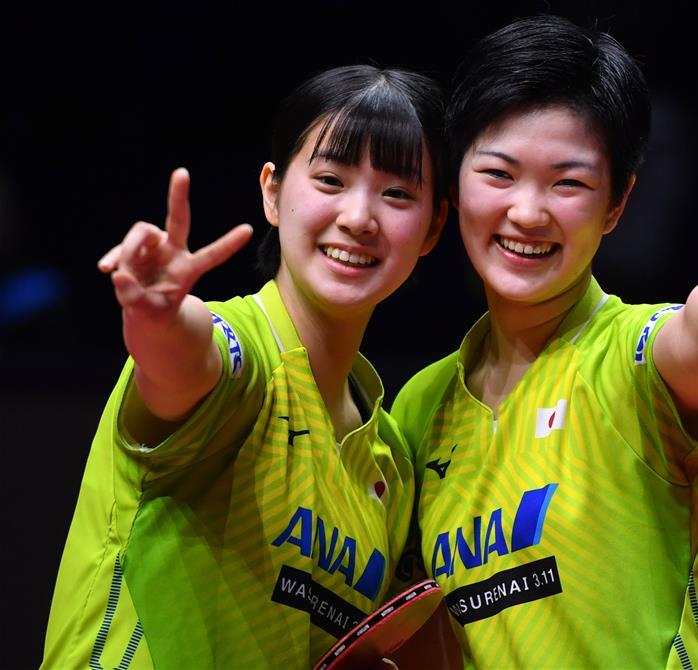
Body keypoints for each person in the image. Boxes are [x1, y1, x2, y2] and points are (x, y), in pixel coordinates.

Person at [391, 14, 698, 669]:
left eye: (568, 182)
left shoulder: (633, 357)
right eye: (499, 174)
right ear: (454, 180)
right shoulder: (419, 407)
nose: (527, 212)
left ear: (616, 204)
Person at [41, 64, 448, 669]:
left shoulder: (390, 462)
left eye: (397, 194)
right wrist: (156, 318)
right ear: (272, 192)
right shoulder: (241, 353)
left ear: (434, 227)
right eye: (331, 180)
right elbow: (188, 359)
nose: (360, 217)